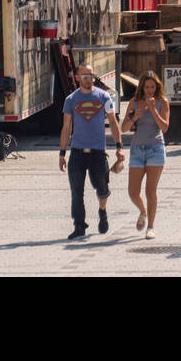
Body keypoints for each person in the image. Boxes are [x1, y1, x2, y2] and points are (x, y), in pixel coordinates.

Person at [59, 63, 124, 239]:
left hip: (98, 153)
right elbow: (66, 127)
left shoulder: (103, 97)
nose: (89, 79)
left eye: (91, 75)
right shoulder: (71, 100)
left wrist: (119, 147)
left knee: (102, 189)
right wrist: (62, 153)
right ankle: (79, 226)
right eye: (85, 75)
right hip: (78, 153)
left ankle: (102, 212)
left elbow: (113, 122)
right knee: (76, 191)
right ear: (78, 77)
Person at [122, 70, 169, 239]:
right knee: (133, 192)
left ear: (157, 87)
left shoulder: (162, 102)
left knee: (151, 191)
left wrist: (153, 111)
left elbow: (164, 127)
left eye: (152, 87)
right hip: (137, 149)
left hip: (155, 148)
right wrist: (135, 117)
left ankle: (151, 226)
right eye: (147, 87)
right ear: (141, 87)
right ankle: (143, 211)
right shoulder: (134, 102)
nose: (150, 90)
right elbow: (123, 128)